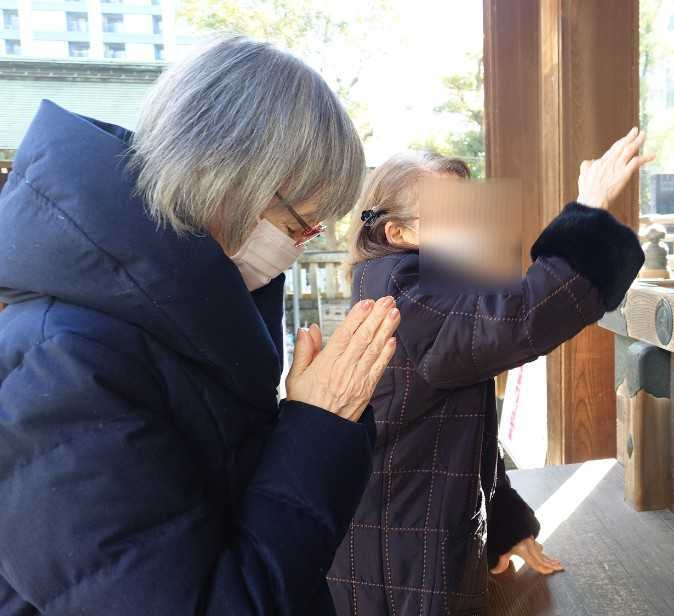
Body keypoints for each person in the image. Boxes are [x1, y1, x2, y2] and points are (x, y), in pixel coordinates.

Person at [0, 36, 398, 614]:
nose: (299, 246)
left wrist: (306, 421)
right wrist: (319, 428)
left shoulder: (169, 322)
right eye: (300, 224)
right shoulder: (62, 364)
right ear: (230, 179)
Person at [328, 130, 651, 614]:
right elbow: (519, 319)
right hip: (397, 560)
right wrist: (588, 209)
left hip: (407, 534)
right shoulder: (404, 293)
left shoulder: (418, 290)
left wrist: (503, 525)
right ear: (398, 234)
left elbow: (459, 436)